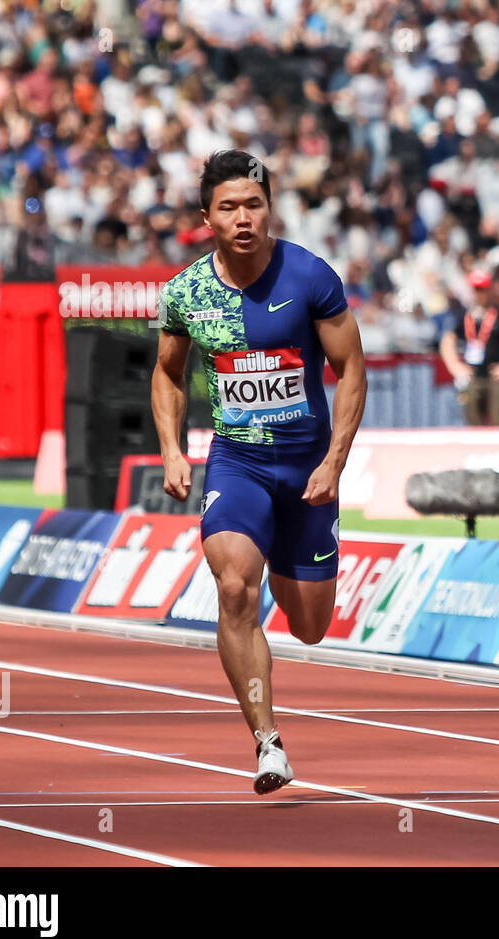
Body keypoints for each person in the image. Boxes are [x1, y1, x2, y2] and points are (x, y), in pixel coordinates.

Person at [152, 150, 368, 793]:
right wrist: (171, 448)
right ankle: (267, 743)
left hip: (307, 471)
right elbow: (166, 373)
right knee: (235, 588)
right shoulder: (186, 291)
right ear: (206, 218)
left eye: (254, 204)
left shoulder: (311, 276)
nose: (244, 218)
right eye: (229, 208)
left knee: (310, 626)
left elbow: (351, 370)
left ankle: (288, 551)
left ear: (269, 207)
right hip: (237, 462)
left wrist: (333, 463)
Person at [440, 268, 499, 425]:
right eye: (476, 289)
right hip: (472, 377)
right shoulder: (463, 314)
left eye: (483, 289)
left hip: (495, 376)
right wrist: (455, 366)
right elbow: (447, 340)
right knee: (471, 418)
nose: (479, 293)